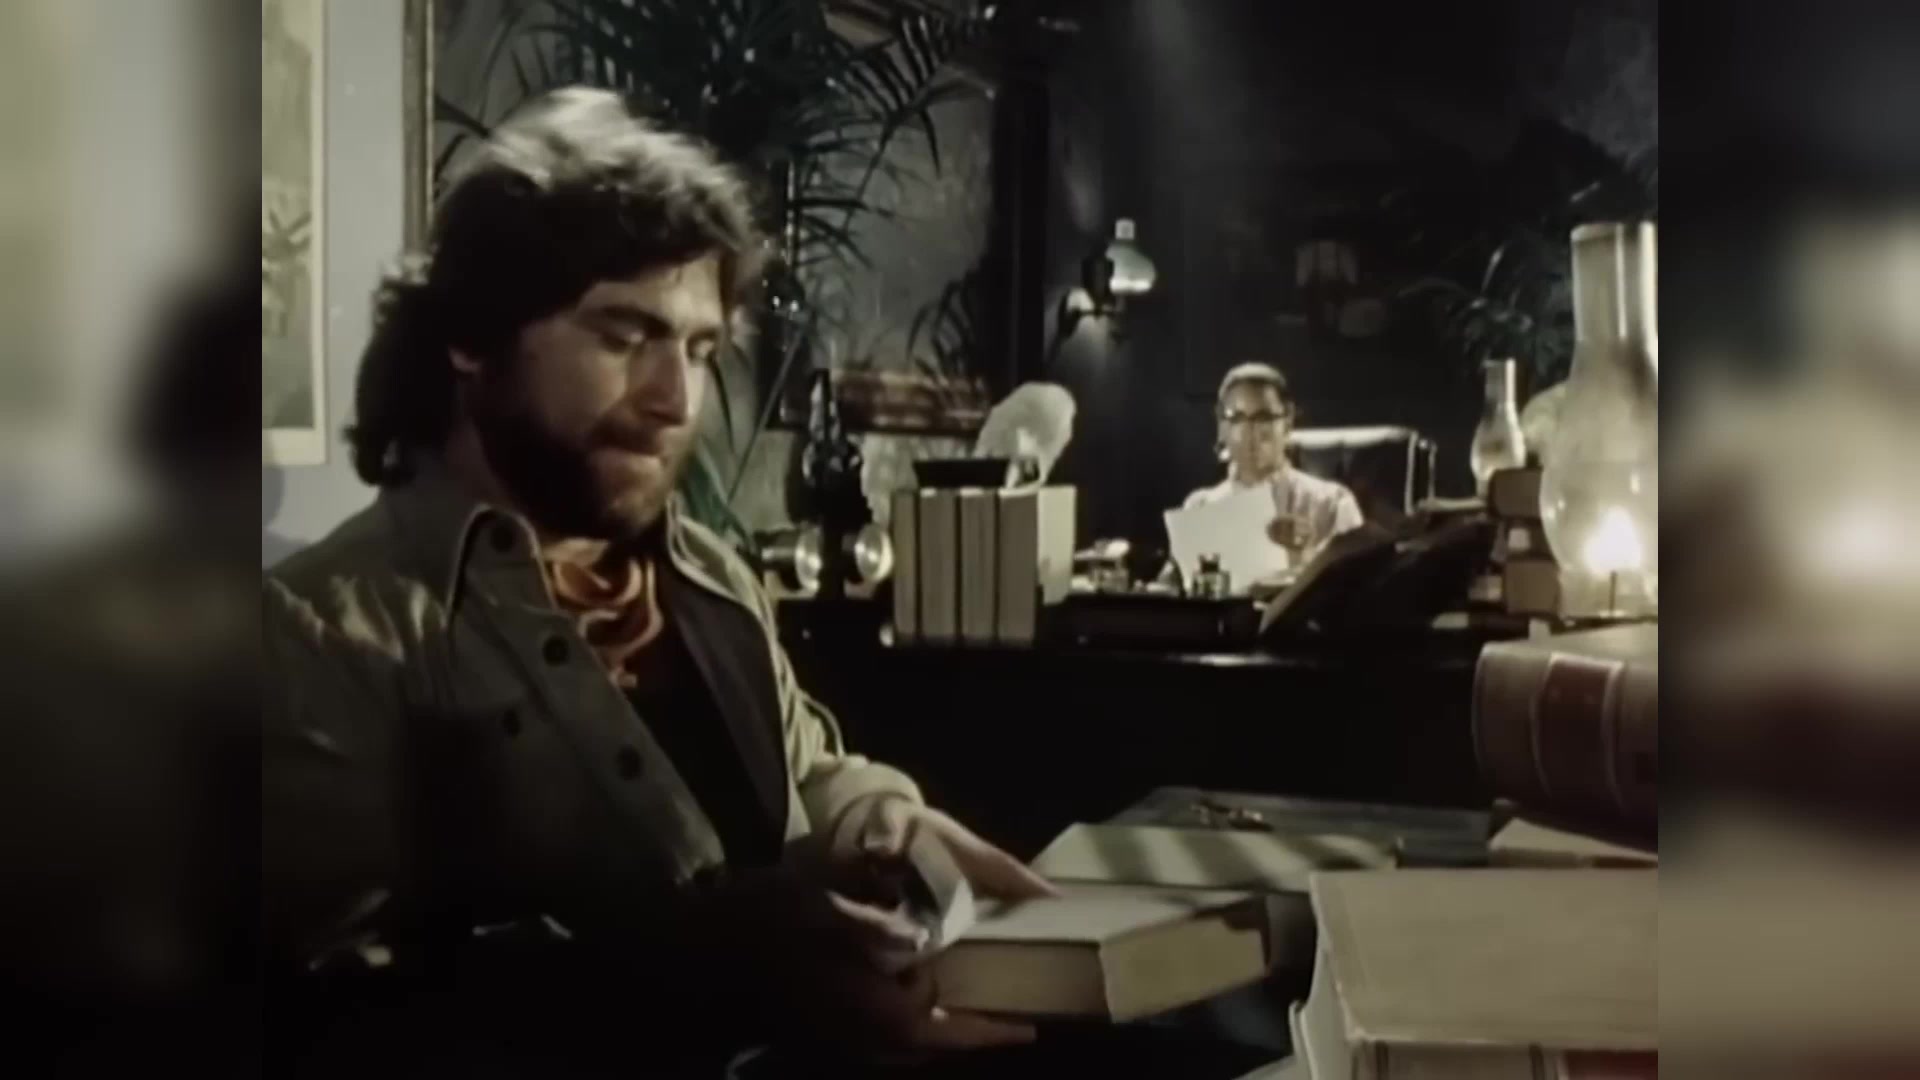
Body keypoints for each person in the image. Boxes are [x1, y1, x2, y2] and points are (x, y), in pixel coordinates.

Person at [263, 88, 1057, 1076]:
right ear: (471, 334)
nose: (676, 400)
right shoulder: (319, 631)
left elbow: (805, 768)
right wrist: (726, 969)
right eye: (623, 334)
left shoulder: (710, 574)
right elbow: (336, 1017)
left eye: (699, 348)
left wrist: (872, 818)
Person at [1181, 362, 1363, 566]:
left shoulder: (1331, 503)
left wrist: (1305, 557)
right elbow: (1173, 581)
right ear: (1222, 425)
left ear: (1287, 421)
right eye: (1237, 418)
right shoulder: (1200, 507)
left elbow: (1357, 579)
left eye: (1263, 418)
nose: (1250, 432)